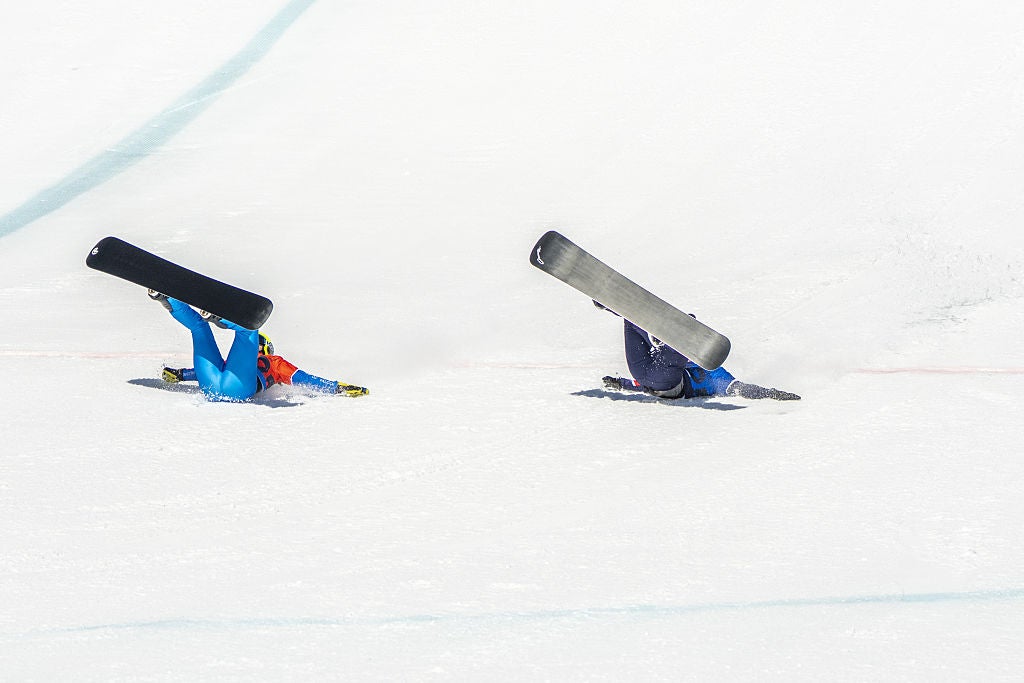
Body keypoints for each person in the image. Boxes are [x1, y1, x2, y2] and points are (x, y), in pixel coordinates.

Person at [149, 290, 367, 401]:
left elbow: (197, 372)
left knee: (202, 329)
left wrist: (180, 375)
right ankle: (174, 301)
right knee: (230, 330)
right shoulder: (274, 363)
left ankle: (170, 301)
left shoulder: (267, 361)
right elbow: (305, 379)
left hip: (211, 382)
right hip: (228, 389)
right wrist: (337, 387)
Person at [595, 301, 799, 401]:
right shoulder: (700, 362)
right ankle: (612, 305)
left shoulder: (716, 375)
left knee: (678, 349)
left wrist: (770, 393)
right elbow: (641, 384)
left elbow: (740, 389)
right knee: (631, 321)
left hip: (670, 385)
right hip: (642, 372)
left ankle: (669, 336)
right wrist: (621, 384)